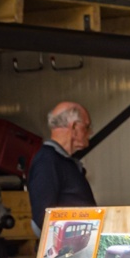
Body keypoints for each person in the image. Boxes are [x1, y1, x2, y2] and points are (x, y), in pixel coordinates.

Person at [27, 100, 95, 233]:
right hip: (68, 245)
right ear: (74, 127)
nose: (90, 132)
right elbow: (43, 218)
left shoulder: (61, 161)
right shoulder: (47, 161)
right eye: (86, 127)